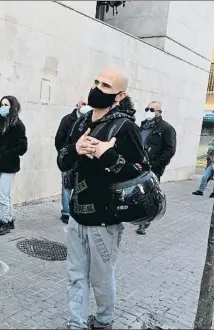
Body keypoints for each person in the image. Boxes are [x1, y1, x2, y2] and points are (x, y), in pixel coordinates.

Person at [57, 68, 149, 329]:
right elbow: (62, 160)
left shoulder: (125, 127)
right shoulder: (82, 122)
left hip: (104, 220)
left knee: (100, 277)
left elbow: (142, 171)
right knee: (75, 276)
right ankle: (76, 323)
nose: (97, 88)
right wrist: (75, 149)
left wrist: (108, 156)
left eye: (105, 86)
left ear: (119, 96)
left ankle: (104, 320)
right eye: (96, 82)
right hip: (76, 214)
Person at [0, 96, 28, 235]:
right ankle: (8, 218)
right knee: (4, 193)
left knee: (2, 194)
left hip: (9, 164)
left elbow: (23, 147)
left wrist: (8, 152)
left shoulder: (17, 125)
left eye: (6, 104)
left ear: (12, 107)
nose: (3, 107)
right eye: (1, 104)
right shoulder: (2, 123)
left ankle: (5, 222)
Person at [136, 101, 176, 235]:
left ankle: (144, 222)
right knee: (136, 193)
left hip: (152, 168)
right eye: (147, 108)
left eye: (152, 109)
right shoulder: (143, 126)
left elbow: (169, 150)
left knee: (149, 195)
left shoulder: (166, 129)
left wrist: (156, 165)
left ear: (159, 112)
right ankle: (135, 216)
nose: (148, 111)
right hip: (138, 165)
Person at [55, 99, 93, 224]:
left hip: (82, 159)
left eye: (88, 104)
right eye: (83, 104)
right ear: (77, 105)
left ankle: (76, 210)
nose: (85, 106)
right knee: (66, 184)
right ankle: (66, 212)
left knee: (79, 185)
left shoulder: (91, 121)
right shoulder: (67, 119)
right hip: (69, 156)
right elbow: (59, 138)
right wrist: (64, 153)